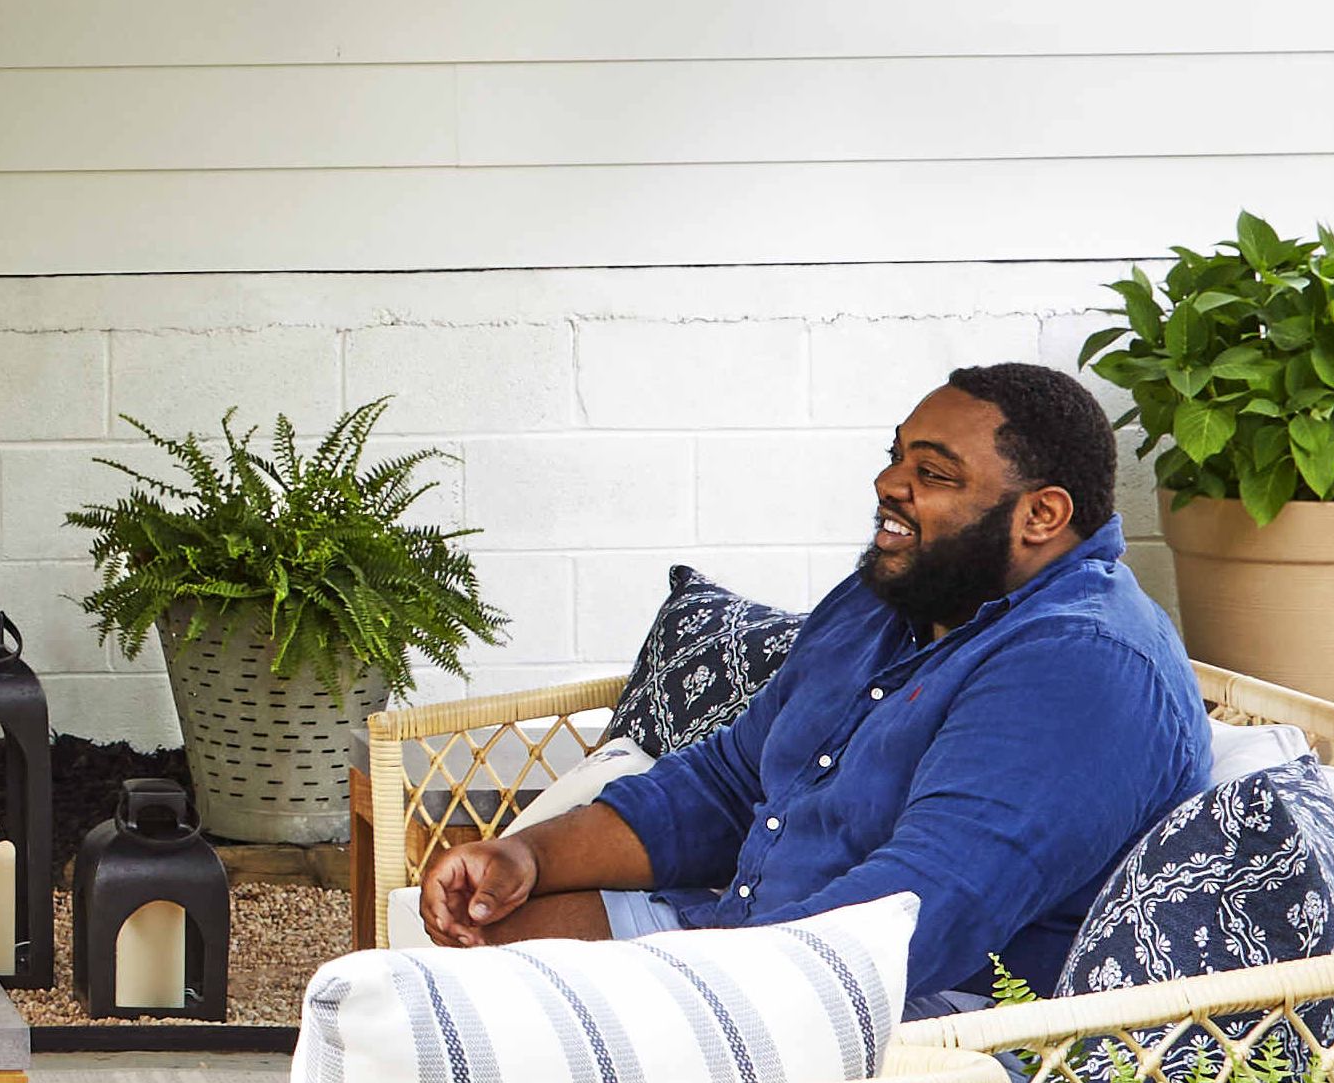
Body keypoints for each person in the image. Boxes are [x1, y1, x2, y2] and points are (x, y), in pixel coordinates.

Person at [415, 361, 1205, 1010]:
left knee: (512, 1044)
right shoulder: (886, 599)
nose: (887, 483)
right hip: (753, 940)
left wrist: (674, 985)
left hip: (917, 1022)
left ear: (1041, 514)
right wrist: (526, 856)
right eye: (895, 455)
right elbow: (728, 784)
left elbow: (909, 920)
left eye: (930, 472)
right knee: (476, 960)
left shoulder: (1080, 664)